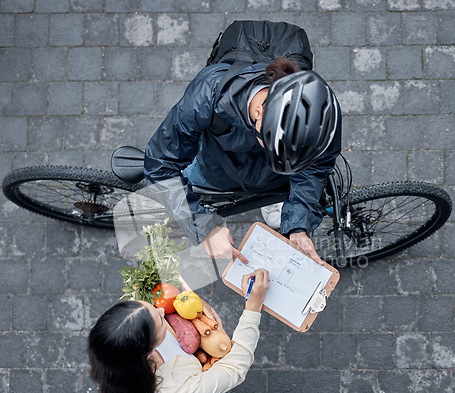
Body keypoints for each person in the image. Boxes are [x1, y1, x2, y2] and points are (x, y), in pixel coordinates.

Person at [144, 57, 341, 266]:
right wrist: (204, 228)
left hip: (270, 178)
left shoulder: (322, 117)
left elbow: (315, 168)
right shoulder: (207, 94)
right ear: (259, 112)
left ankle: (273, 201)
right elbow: (160, 165)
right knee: (187, 181)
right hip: (215, 168)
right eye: (270, 146)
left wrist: (298, 225)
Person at [87, 269, 276, 393]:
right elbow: (235, 368)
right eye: (159, 320)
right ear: (145, 350)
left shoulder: (112, 355)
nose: (161, 310)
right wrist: (253, 307)